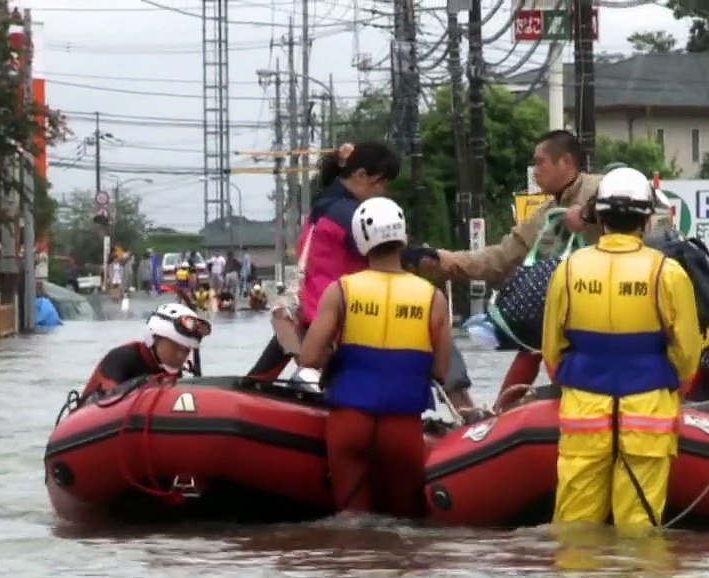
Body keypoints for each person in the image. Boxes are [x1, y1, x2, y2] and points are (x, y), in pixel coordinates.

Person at [541, 167, 702, 533]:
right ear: (646, 220)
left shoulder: (568, 270)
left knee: (575, 529)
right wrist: (674, 388)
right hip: (648, 415)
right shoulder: (668, 273)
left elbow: (551, 349)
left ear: (599, 217)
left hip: (583, 414)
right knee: (639, 530)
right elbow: (687, 354)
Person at [410, 130, 604, 396]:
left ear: (566, 162)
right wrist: (445, 260)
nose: (535, 172)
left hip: (610, 309)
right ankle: (502, 411)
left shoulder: (602, 188)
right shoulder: (543, 217)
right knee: (531, 345)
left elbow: (638, 207)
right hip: (568, 315)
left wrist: (587, 214)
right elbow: (499, 258)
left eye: (540, 162)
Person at [298, 197, 452, 518]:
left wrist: (334, 357)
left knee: (353, 521)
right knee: (405, 522)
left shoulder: (341, 291)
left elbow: (309, 357)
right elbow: (440, 371)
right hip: (403, 427)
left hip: (348, 423)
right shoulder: (433, 298)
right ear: (402, 237)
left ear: (361, 239)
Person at [246, 142, 401, 381]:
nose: (383, 190)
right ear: (360, 175)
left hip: (305, 316)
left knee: (260, 378)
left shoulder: (322, 208)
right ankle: (459, 399)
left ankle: (248, 386)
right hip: (337, 325)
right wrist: (433, 258)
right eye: (381, 182)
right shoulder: (350, 216)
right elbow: (389, 255)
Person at [79, 303, 211, 402]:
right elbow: (103, 402)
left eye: (186, 350)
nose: (181, 355)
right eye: (175, 347)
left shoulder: (176, 374)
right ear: (155, 338)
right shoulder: (121, 358)